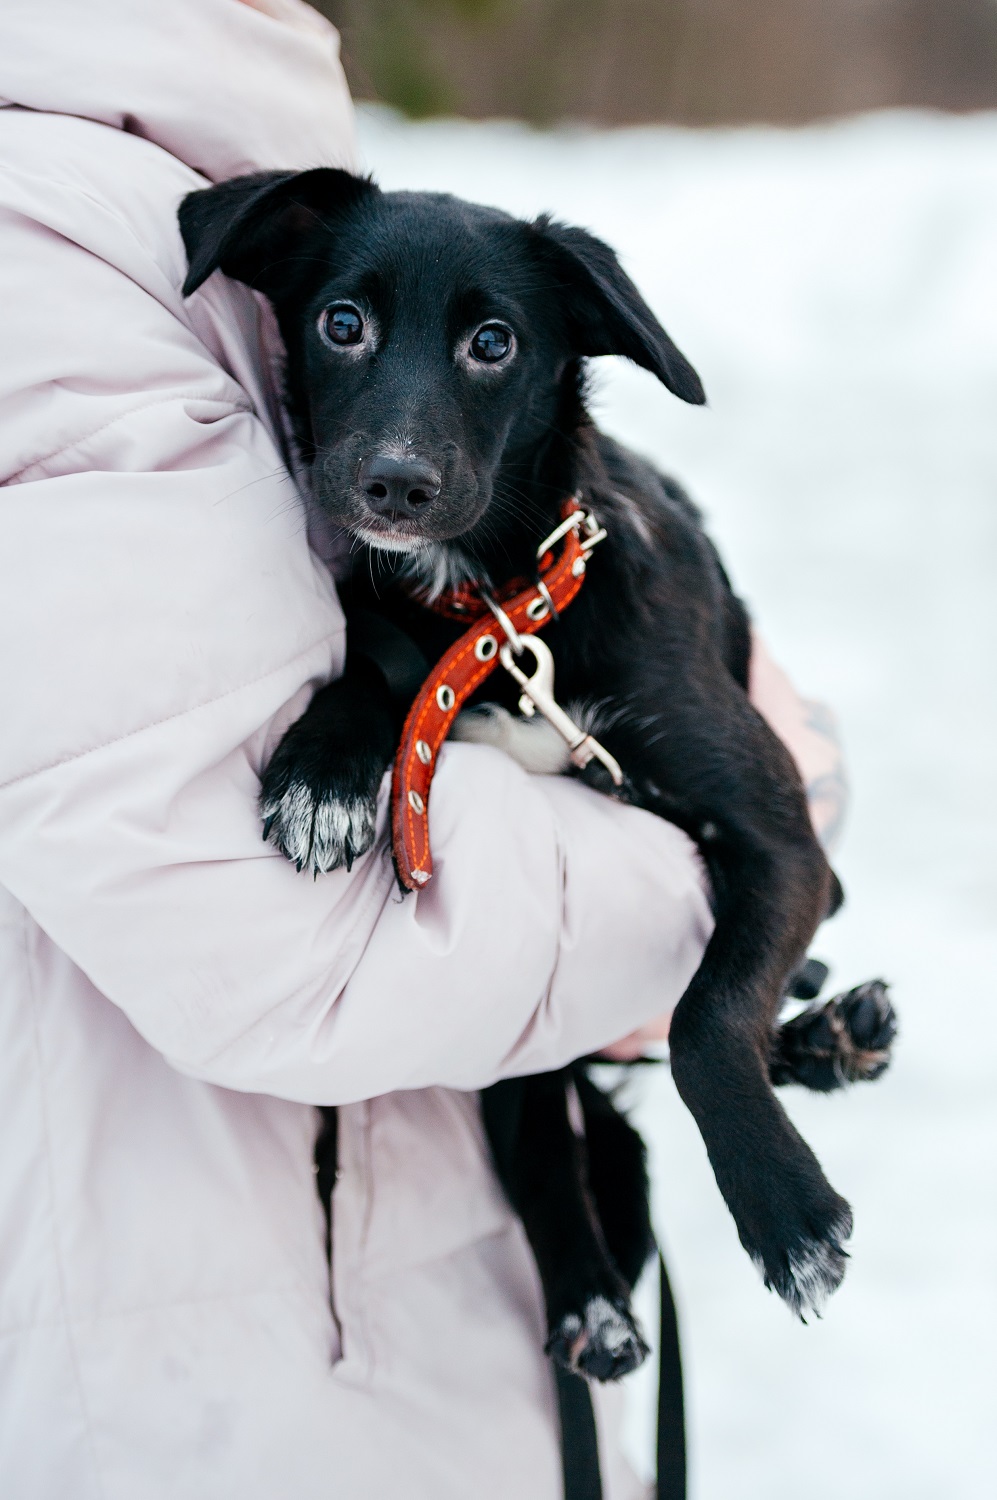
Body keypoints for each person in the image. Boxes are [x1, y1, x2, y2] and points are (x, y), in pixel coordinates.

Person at [0, 2, 845, 1496]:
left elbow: (781, 835)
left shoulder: (249, 143)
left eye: (482, 346)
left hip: (422, 1315)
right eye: (344, 332)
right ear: (281, 302)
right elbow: (268, 928)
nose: (396, 441)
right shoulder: (68, 243)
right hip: (207, 1364)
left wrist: (717, 1002)